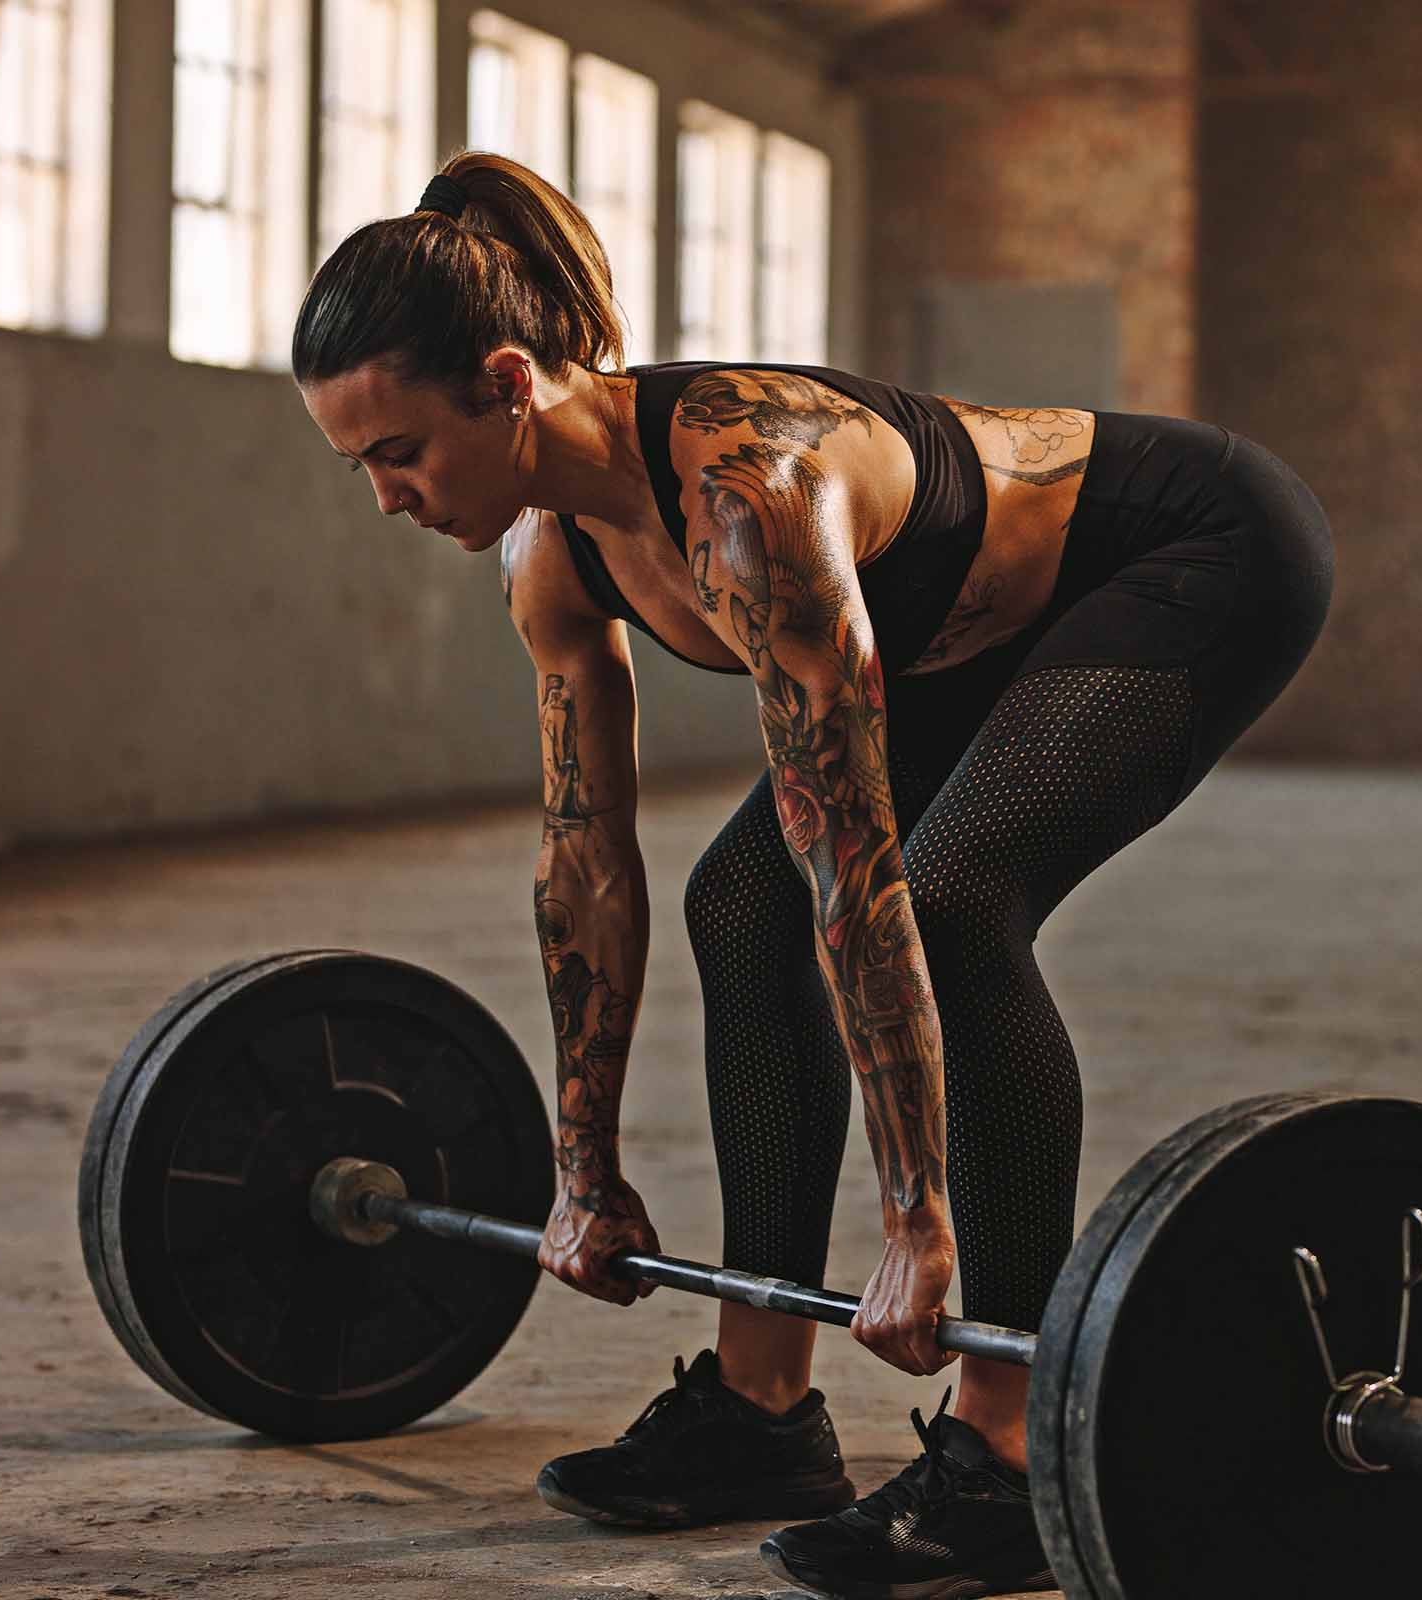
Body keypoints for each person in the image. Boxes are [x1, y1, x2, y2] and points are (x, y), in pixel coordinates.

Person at [293, 151, 1334, 1600]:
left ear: (509, 383)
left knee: (958, 899)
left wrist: (921, 1225)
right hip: (973, 634)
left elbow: (854, 870)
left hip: (1186, 554)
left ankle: (1010, 1450)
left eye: (398, 452)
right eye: (360, 467)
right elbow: (586, 861)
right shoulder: (551, 558)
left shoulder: (748, 495)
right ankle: (762, 1409)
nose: (389, 498)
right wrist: (581, 1166)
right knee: (736, 903)